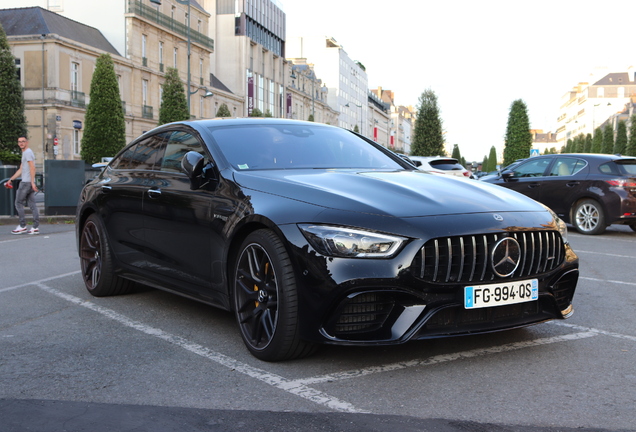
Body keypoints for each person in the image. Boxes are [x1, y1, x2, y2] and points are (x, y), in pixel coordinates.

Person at [5, 136, 40, 235]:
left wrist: (32, 183)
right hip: (28, 182)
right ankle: (35, 227)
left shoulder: (28, 152)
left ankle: (22, 225)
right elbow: (21, 169)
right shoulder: (25, 153)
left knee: (18, 203)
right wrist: (11, 180)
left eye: (23, 141)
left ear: (27, 142)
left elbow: (32, 168)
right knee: (32, 204)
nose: (21, 143)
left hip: (26, 183)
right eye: (19, 142)